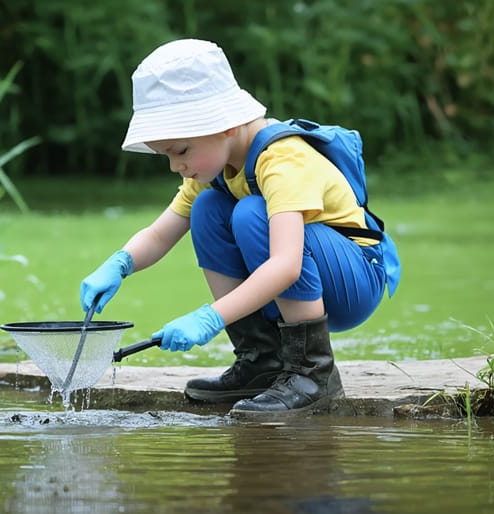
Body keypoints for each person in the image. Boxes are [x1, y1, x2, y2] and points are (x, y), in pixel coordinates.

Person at [79, 38, 394, 418]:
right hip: (304, 277)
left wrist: (211, 316)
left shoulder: (282, 159)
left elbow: (286, 264)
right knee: (208, 208)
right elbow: (161, 234)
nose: (174, 166)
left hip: (352, 279)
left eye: (180, 151)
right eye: (166, 155)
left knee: (251, 214)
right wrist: (120, 264)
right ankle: (262, 362)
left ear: (224, 124)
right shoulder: (212, 173)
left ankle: (313, 372)